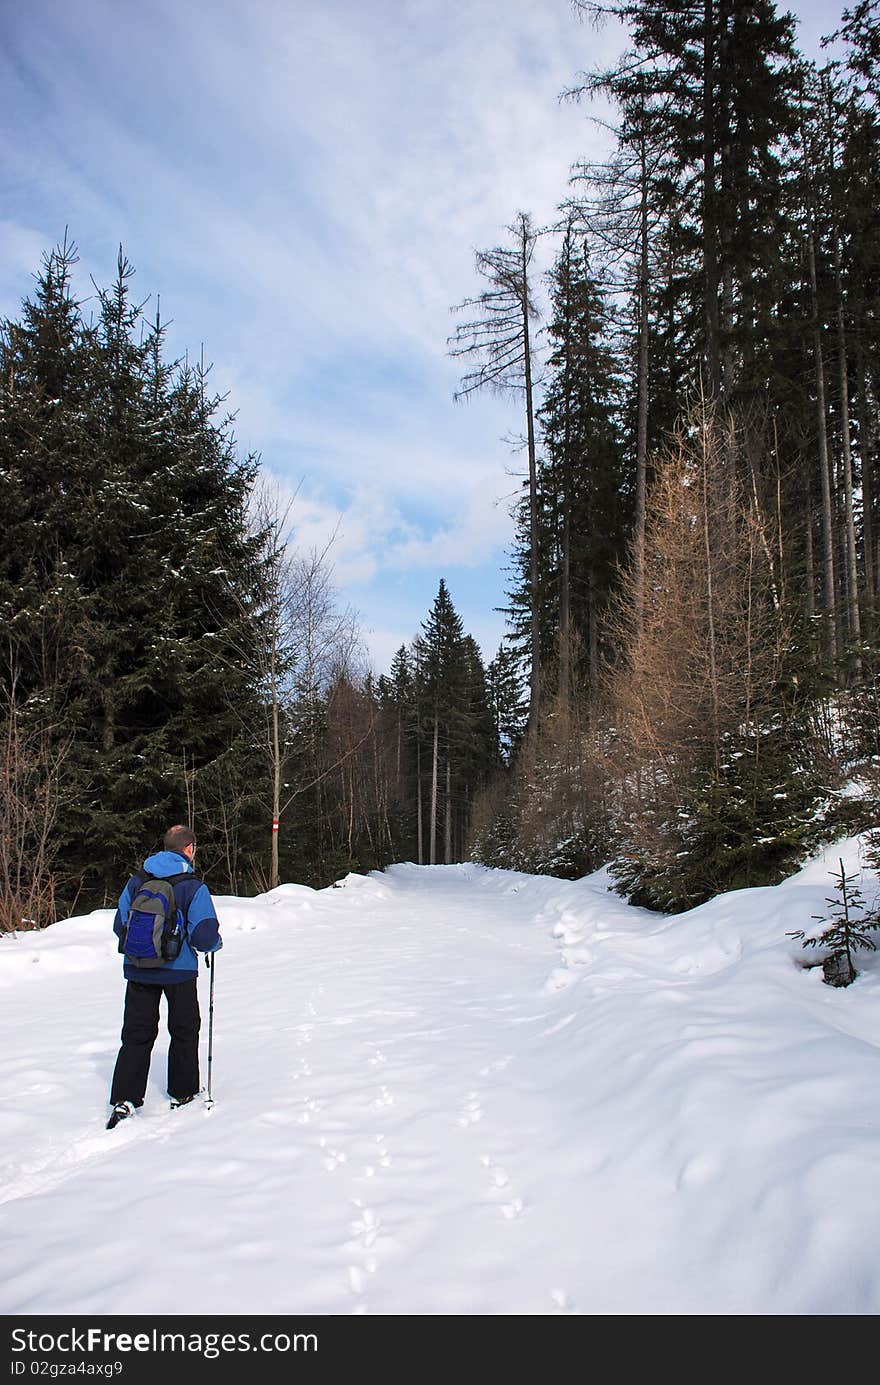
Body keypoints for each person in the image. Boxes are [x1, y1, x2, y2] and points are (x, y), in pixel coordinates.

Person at [107, 824, 222, 1129]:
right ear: (189, 849)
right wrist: (214, 944)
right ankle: (182, 1093)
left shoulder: (137, 881)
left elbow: (120, 924)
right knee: (184, 1030)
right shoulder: (192, 886)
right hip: (179, 971)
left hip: (139, 968)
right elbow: (204, 934)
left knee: (136, 1033)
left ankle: (125, 1096)